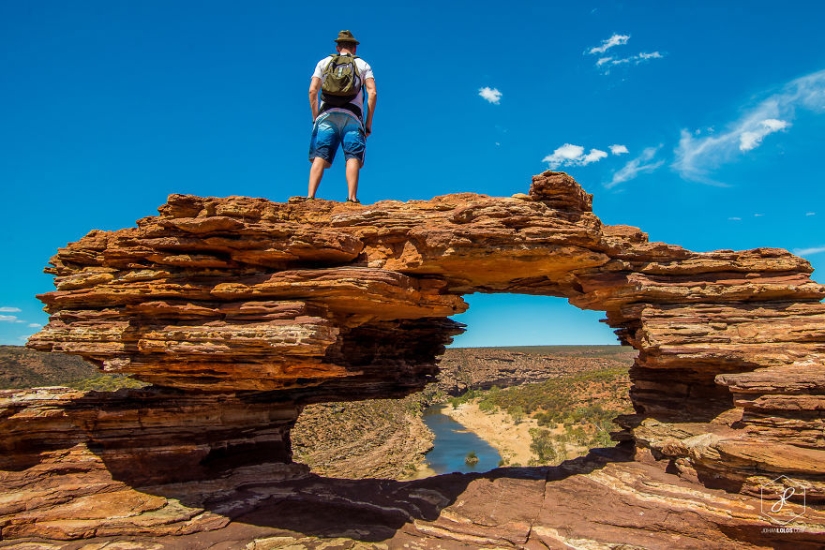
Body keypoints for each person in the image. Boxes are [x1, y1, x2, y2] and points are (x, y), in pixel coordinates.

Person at [307, 30, 377, 203]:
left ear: (338, 47)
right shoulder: (362, 64)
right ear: (354, 48)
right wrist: (368, 123)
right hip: (353, 117)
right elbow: (372, 93)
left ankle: (310, 197)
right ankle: (351, 198)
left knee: (320, 156)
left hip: (326, 115)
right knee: (353, 156)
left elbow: (312, 91)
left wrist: (316, 118)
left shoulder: (324, 62)